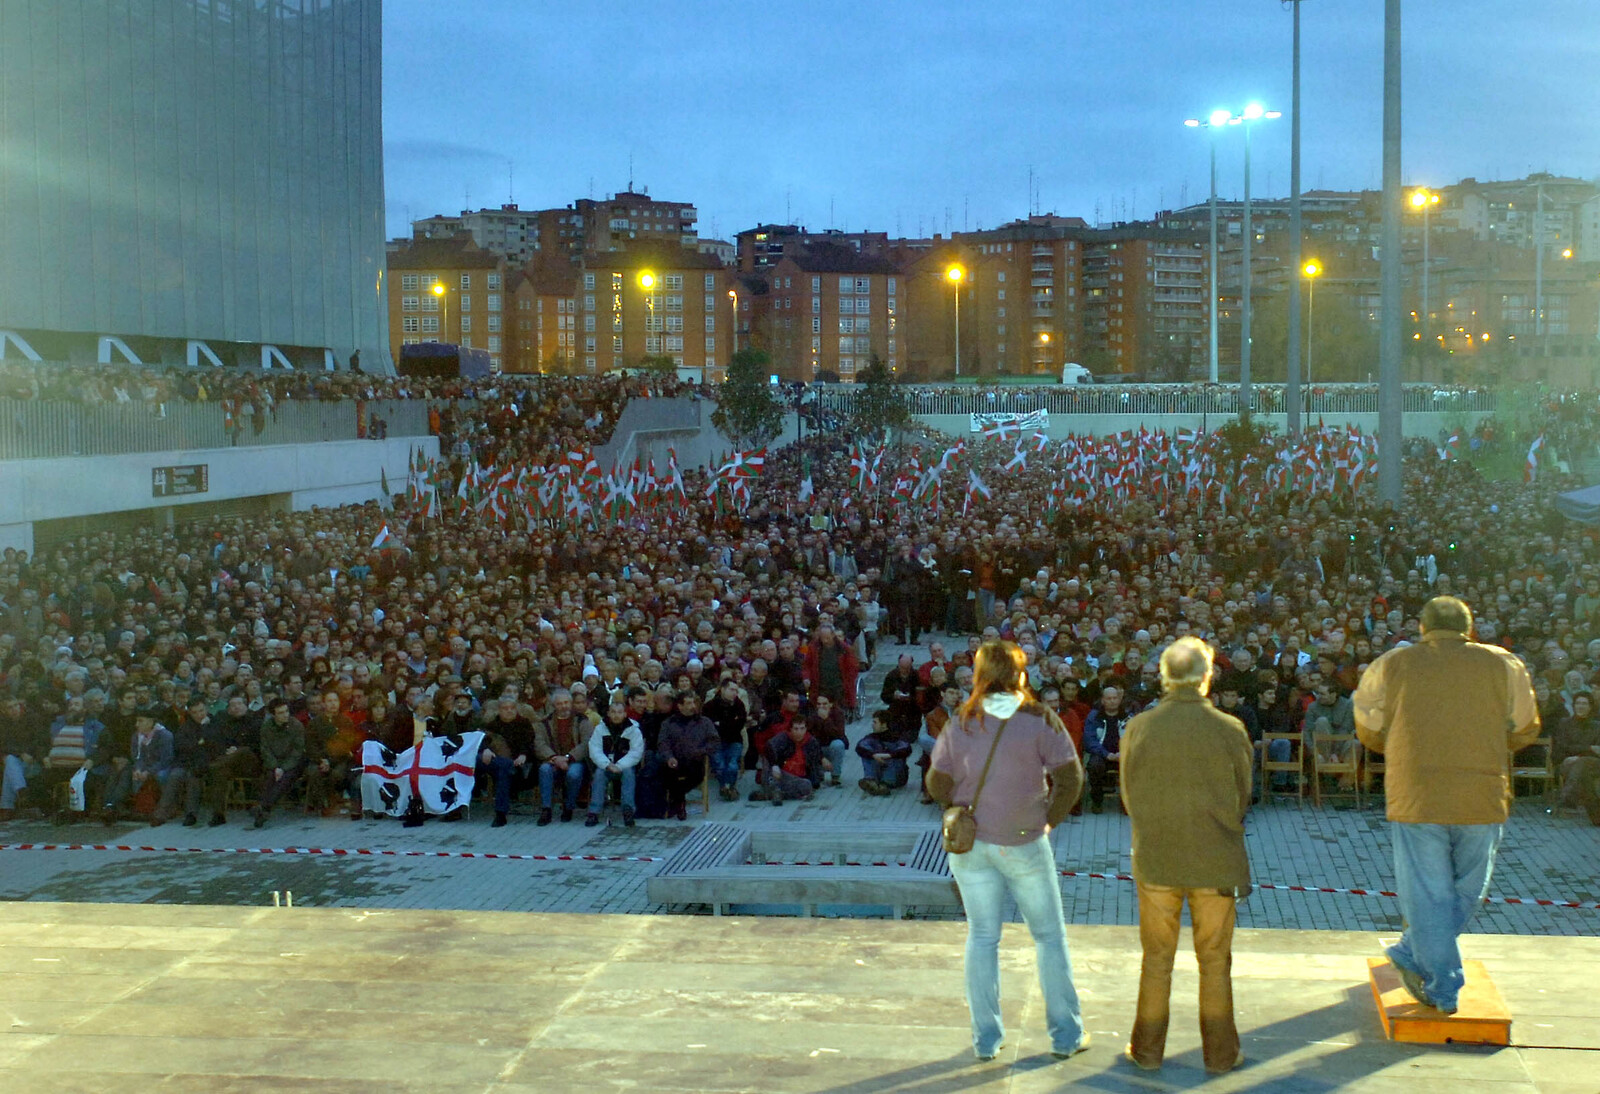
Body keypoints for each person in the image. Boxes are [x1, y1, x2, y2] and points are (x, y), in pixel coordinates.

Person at [1354, 595, 1540, 1015]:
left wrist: (1400, 748)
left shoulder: (1391, 664)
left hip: (1416, 794)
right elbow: (1526, 726)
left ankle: (1426, 967)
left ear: (1421, 628)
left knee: (1426, 893)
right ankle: (1440, 978)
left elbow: (1368, 727)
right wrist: (1491, 744)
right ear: (1469, 629)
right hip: (1481, 794)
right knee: (1468, 890)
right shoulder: (1504, 664)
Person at [927, 639, 1087, 1062]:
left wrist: (959, 804)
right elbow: (1071, 780)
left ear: (978, 675)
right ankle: (1065, 1036)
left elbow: (935, 784)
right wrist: (1048, 819)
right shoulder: (1040, 719)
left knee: (982, 937)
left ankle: (985, 1040)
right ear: (1020, 674)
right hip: (1024, 841)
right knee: (1049, 937)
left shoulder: (960, 721)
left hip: (971, 846)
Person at [1119, 637, 1253, 1075]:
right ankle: (1220, 1056)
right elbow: (1244, 797)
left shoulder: (1139, 726)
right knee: (1214, 960)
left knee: (1156, 960)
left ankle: (1147, 1052)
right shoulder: (1229, 728)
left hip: (1157, 859)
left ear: (1163, 677)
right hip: (1215, 859)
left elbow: (1128, 796)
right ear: (1208, 676)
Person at [658, 690, 718, 820]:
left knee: (694, 775)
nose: (693, 706)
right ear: (680, 706)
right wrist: (669, 757)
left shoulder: (704, 722)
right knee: (668, 773)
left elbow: (714, 741)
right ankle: (680, 803)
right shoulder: (669, 723)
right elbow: (663, 743)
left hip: (695, 760)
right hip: (675, 760)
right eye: (689, 703)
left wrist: (702, 751)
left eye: (693, 702)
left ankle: (677, 801)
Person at [587, 696, 644, 827]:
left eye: (619, 712)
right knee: (599, 774)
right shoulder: (600, 729)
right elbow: (594, 750)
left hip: (625, 766)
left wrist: (619, 765)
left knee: (629, 773)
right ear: (608, 713)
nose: (616, 715)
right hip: (605, 766)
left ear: (625, 714)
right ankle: (594, 812)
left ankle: (628, 811)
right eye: (613, 712)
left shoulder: (633, 730)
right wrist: (607, 765)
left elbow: (636, 752)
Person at [533, 688, 587, 825]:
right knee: (544, 770)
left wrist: (569, 757)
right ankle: (546, 809)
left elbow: (587, 743)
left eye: (566, 702)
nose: (564, 706)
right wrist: (555, 758)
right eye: (560, 703)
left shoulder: (582, 720)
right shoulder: (544, 722)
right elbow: (539, 744)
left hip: (575, 760)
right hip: (553, 759)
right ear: (553, 705)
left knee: (574, 774)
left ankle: (568, 807)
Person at [1551, 690, 1600, 824]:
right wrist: (1587, 749)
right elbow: (1562, 746)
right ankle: (1597, 816)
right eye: (1578, 703)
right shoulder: (1564, 724)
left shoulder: (1597, 726)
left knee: (1582, 764)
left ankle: (1567, 797)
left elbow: (1598, 750)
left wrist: (1579, 755)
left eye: (1584, 704)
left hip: (1593, 764)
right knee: (1583, 773)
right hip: (1567, 763)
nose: (1581, 706)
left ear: (1590, 707)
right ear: (1573, 705)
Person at [1081, 685, 1131, 814]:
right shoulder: (1094, 717)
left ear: (1119, 699)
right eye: (1108, 698)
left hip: (1123, 754)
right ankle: (1097, 800)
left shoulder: (1128, 717)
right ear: (1102, 700)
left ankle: (1127, 802)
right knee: (1094, 766)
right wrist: (1106, 754)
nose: (1112, 701)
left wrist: (1123, 753)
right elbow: (1089, 740)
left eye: (1115, 698)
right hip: (1101, 754)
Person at [855, 710, 912, 796]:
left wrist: (888, 755)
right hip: (879, 772)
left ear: (884, 725)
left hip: (896, 776)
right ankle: (871, 781)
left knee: (894, 758)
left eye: (875, 722)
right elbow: (860, 746)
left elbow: (906, 749)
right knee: (866, 753)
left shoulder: (898, 738)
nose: (872, 725)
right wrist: (873, 755)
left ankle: (885, 784)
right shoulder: (872, 737)